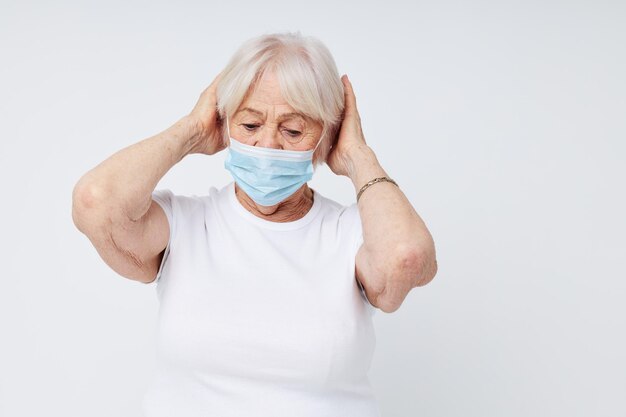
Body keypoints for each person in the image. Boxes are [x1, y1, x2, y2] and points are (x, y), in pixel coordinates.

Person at [71, 32, 437, 417]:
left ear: (326, 136)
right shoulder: (187, 224)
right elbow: (96, 203)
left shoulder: (351, 234)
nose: (267, 146)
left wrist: (358, 155)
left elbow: (406, 259)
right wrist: (192, 131)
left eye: (293, 130)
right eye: (249, 125)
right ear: (224, 125)